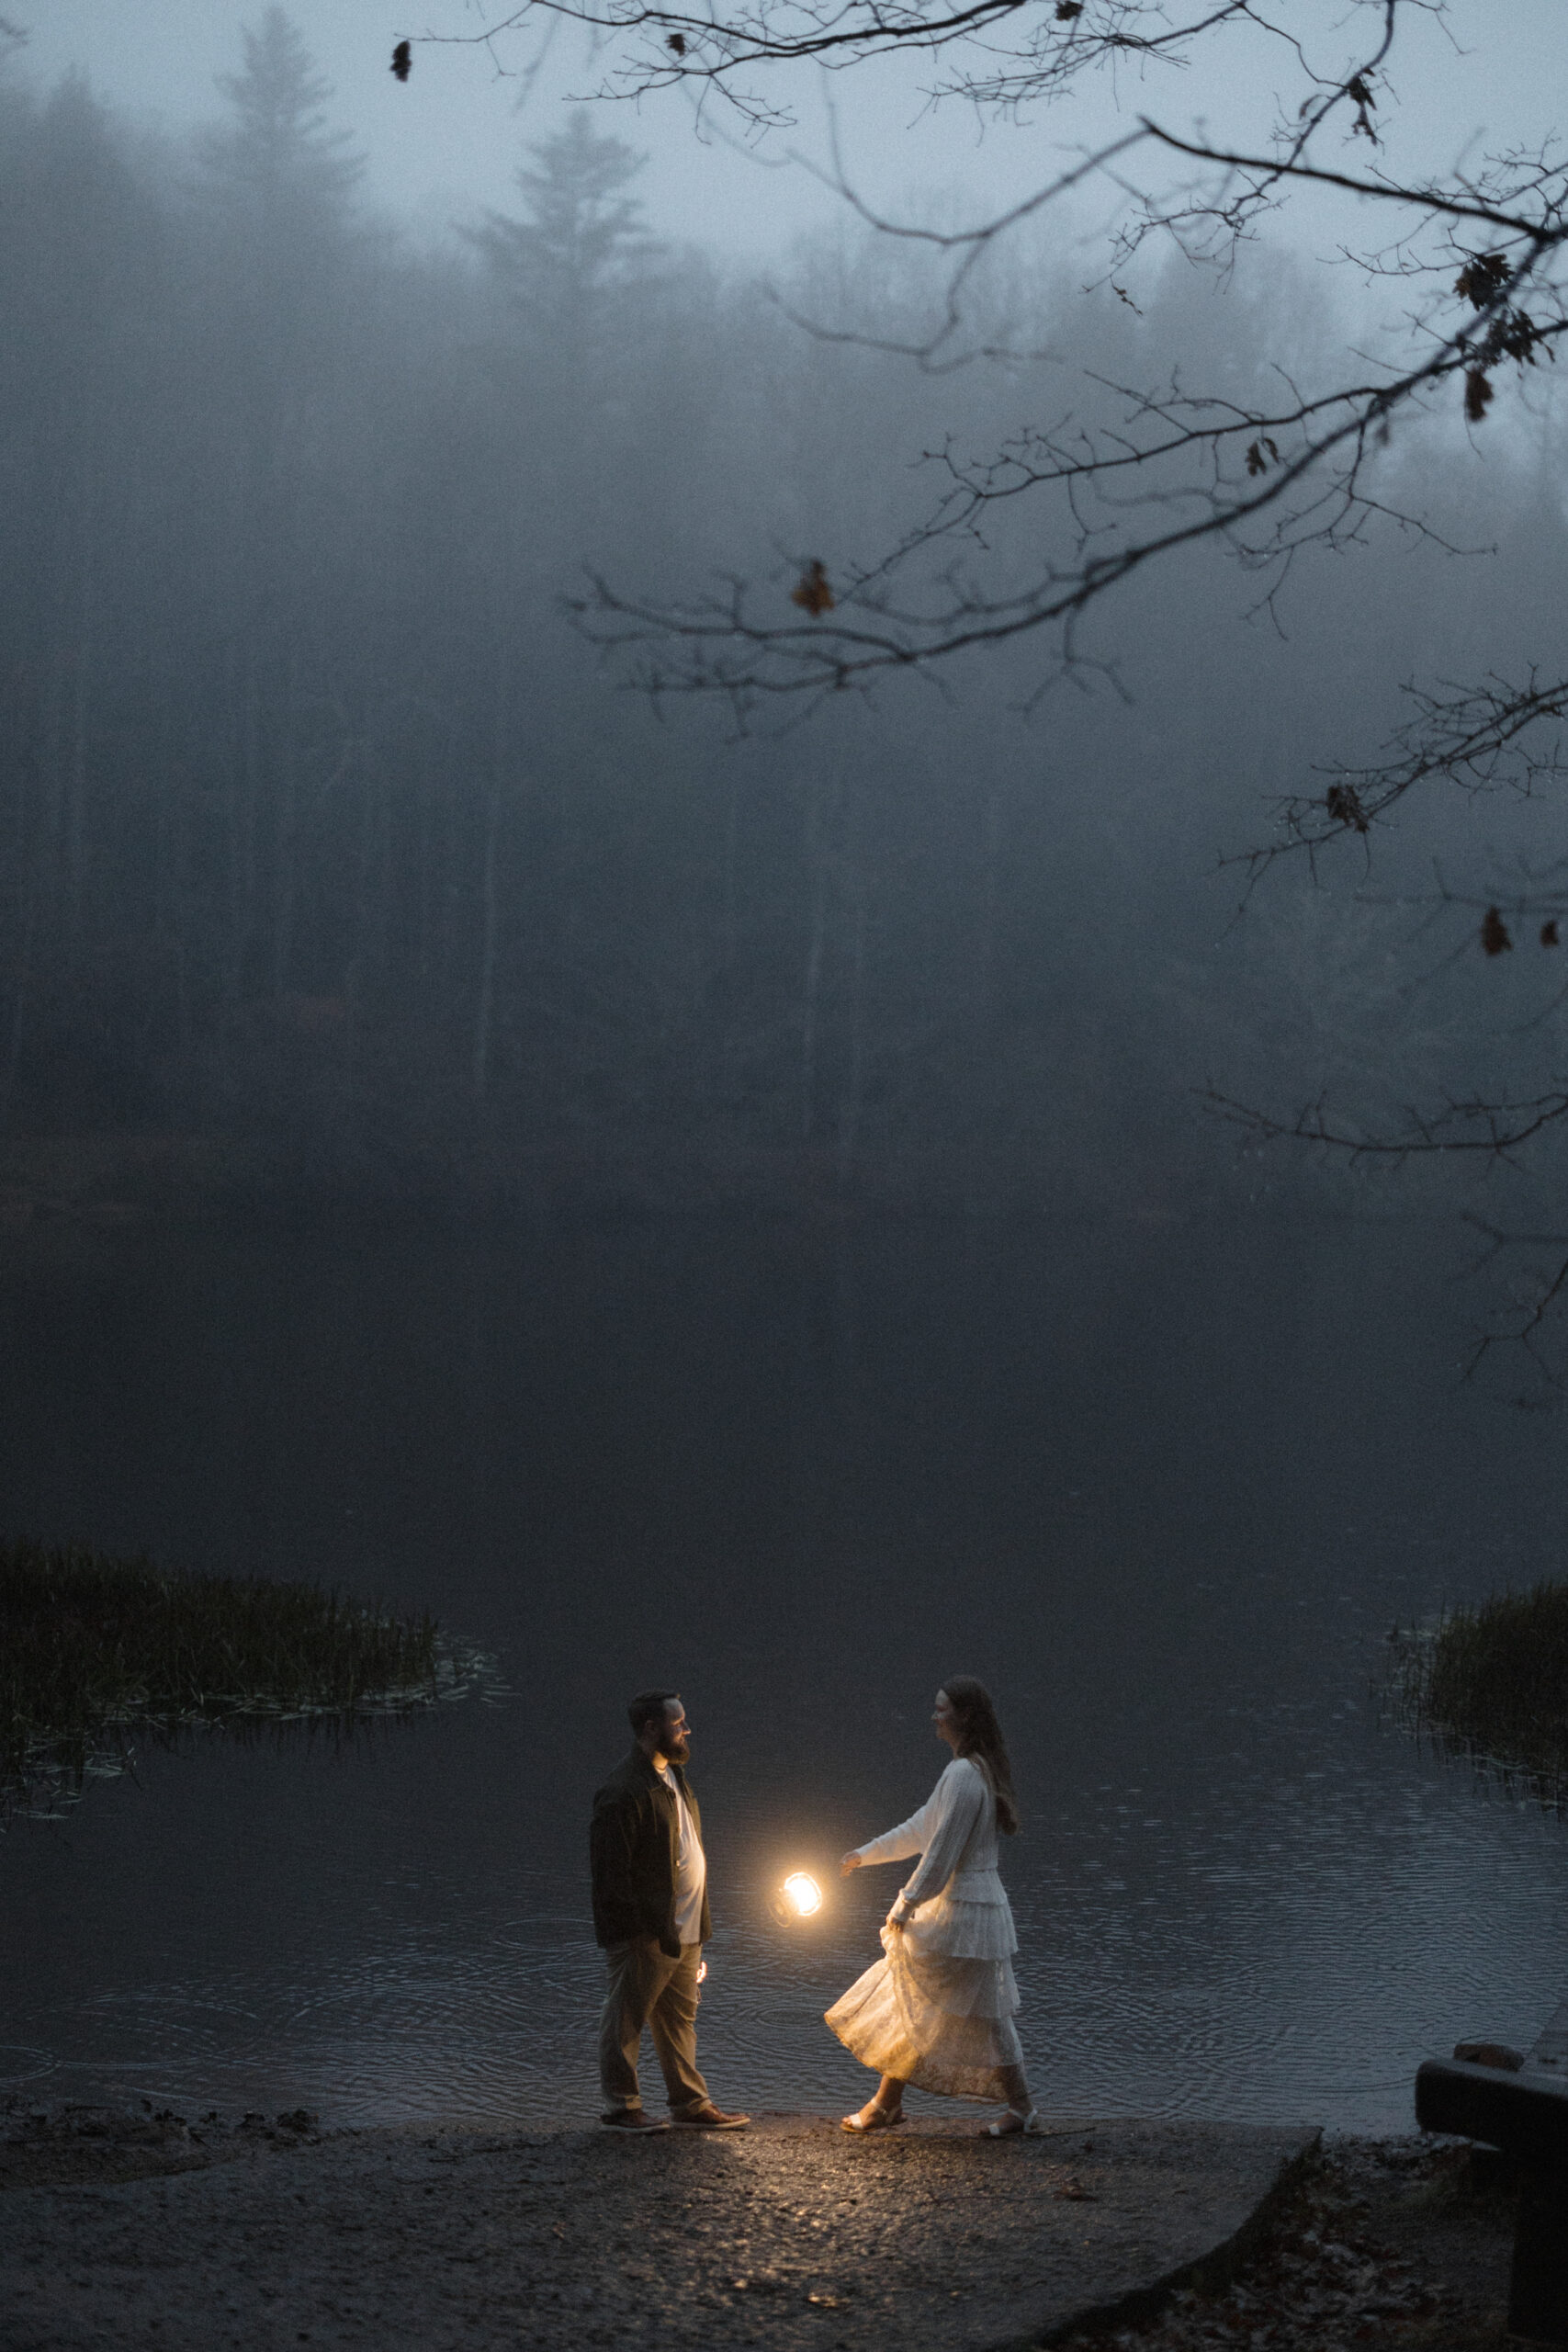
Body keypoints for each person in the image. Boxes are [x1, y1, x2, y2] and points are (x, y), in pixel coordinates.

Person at [828, 1676, 1041, 2136]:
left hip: (964, 1910)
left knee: (928, 2000)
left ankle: (892, 2105)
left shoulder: (965, 1775)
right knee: (933, 2002)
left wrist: (904, 1906)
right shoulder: (969, 1771)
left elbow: (940, 1855)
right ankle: (893, 2103)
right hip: (973, 1910)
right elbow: (920, 1829)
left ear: (964, 1717)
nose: (934, 1716)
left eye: (942, 1709)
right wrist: (864, 1855)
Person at [589, 1689, 750, 2132]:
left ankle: (690, 2104)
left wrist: (697, 1920)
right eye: (678, 1723)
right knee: (625, 2018)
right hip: (650, 1929)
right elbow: (609, 1873)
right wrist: (635, 1929)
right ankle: (621, 2107)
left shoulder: (672, 1775)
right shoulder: (622, 1790)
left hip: (686, 1926)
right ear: (650, 1729)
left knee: (679, 2020)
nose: (687, 1729)